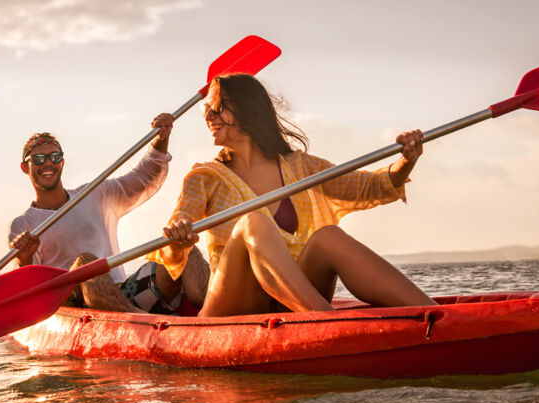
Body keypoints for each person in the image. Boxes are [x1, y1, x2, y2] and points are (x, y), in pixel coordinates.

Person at [148, 74, 436, 317]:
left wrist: (406, 159)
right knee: (253, 222)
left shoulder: (299, 165)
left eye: (216, 108)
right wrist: (178, 233)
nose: (208, 117)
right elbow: (178, 229)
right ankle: (326, 321)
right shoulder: (205, 176)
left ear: (246, 110)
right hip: (233, 306)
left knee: (328, 236)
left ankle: (435, 315)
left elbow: (370, 187)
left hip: (289, 302)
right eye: (206, 111)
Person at [9, 113, 209, 314]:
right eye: (38, 158)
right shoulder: (23, 224)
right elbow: (29, 289)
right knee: (85, 262)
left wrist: (161, 138)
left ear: (62, 162)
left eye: (54, 157)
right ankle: (139, 323)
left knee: (181, 249)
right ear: (25, 167)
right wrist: (24, 260)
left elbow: (145, 177)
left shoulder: (94, 194)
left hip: (121, 295)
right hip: (73, 307)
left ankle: (217, 313)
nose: (47, 163)